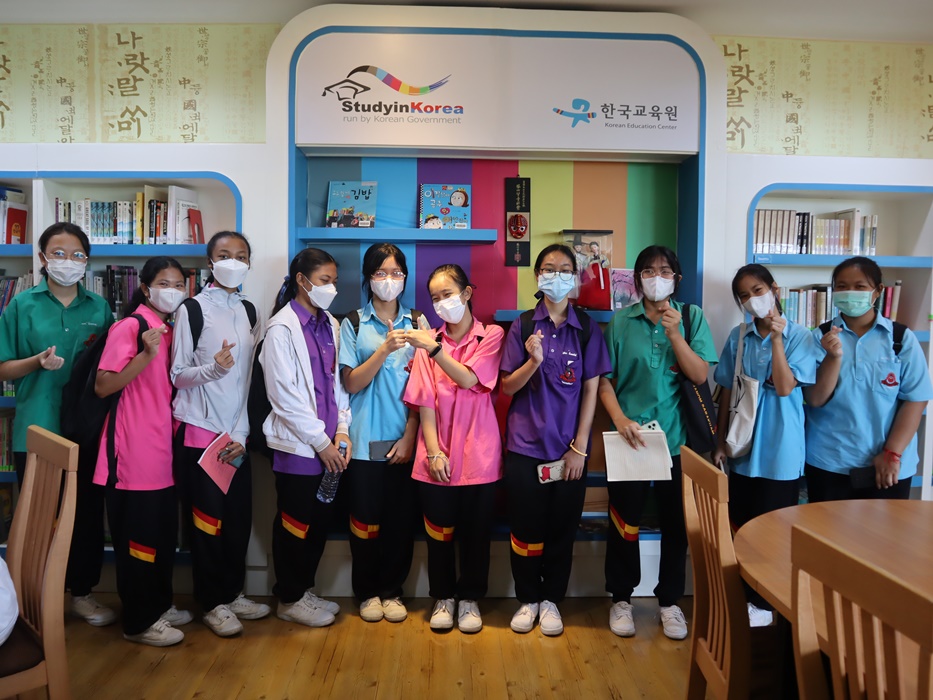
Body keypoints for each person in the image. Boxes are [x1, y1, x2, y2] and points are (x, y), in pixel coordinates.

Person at [598, 245, 717, 640]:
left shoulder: (691, 317)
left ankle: (669, 602)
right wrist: (620, 419)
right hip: (628, 439)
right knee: (624, 523)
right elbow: (605, 381)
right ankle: (621, 598)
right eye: (648, 271)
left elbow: (699, 374)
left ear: (676, 278)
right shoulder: (621, 321)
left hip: (677, 441)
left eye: (665, 270)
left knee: (676, 524)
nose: (656, 278)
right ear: (637, 279)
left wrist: (674, 333)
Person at [0, 222, 115, 627]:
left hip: (86, 428)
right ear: (43, 258)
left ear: (87, 261)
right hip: (38, 426)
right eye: (59, 253)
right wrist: (36, 362)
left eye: (77, 254)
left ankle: (82, 593)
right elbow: (3, 367)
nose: (69, 261)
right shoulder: (22, 305)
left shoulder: (99, 308)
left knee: (86, 514)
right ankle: (31, 599)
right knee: (37, 517)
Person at [499, 244, 611, 636]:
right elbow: (507, 387)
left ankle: (551, 600)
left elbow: (591, 390)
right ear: (537, 275)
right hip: (524, 448)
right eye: (549, 269)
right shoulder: (523, 325)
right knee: (524, 530)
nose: (556, 276)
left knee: (562, 530)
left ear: (575, 277)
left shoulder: (586, 329)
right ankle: (527, 598)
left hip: (569, 453)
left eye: (565, 269)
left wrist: (579, 447)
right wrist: (533, 361)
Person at [171, 231, 269, 638]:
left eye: (241, 256)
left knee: (237, 521)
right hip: (200, 433)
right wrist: (213, 369)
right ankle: (211, 602)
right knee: (206, 523)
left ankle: (232, 593)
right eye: (225, 255)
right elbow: (178, 375)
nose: (233, 261)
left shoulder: (249, 310)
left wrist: (243, 433)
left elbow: (248, 382)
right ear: (210, 262)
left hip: (236, 436)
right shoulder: (191, 309)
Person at [711, 264, 820, 628]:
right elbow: (726, 389)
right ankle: (746, 599)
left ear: (774, 289)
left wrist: (776, 338)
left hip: (781, 451)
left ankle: (767, 604)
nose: (752, 300)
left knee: (774, 532)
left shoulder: (801, 337)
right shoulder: (738, 336)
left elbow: (786, 386)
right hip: (743, 448)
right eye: (744, 296)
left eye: (757, 291)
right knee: (742, 529)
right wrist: (720, 441)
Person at [92, 256, 191, 647]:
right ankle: (138, 621)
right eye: (164, 283)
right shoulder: (131, 326)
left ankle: (158, 605)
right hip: (132, 453)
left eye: (179, 284)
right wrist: (144, 356)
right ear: (146, 288)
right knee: (138, 541)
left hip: (162, 451)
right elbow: (104, 385)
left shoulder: (169, 328)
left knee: (162, 536)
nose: (173, 291)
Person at [403, 264, 504, 634]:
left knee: (477, 535)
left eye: (447, 294)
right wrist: (433, 452)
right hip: (437, 454)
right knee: (438, 534)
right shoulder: (427, 338)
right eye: (435, 298)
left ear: (467, 293)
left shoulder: (490, 335)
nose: (441, 303)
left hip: (480, 454)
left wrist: (434, 349)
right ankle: (443, 596)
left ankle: (471, 598)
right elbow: (424, 401)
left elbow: (469, 379)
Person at [261, 247, 351, 628]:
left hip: (331, 447)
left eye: (334, 281)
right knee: (294, 523)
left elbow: (337, 385)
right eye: (324, 280)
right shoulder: (281, 328)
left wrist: (342, 429)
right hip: (300, 448)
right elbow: (284, 397)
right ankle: (289, 597)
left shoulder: (330, 324)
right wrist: (321, 442)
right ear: (302, 280)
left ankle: (303, 589)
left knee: (317, 522)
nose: (331, 288)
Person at [805, 257, 933, 501]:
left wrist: (892, 453)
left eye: (860, 286)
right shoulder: (819, 337)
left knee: (886, 527)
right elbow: (815, 399)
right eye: (842, 286)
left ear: (878, 291)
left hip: (888, 465)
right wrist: (833, 357)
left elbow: (916, 399)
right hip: (829, 461)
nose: (850, 292)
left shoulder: (900, 339)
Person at [339, 243, 419, 624]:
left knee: (401, 523)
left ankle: (392, 591)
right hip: (364, 440)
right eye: (381, 273)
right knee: (364, 523)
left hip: (405, 439)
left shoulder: (418, 322)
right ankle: (367, 592)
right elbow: (351, 383)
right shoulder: (353, 323)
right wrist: (384, 349)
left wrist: (411, 435)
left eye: (396, 273)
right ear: (368, 278)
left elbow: (425, 388)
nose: (389, 280)